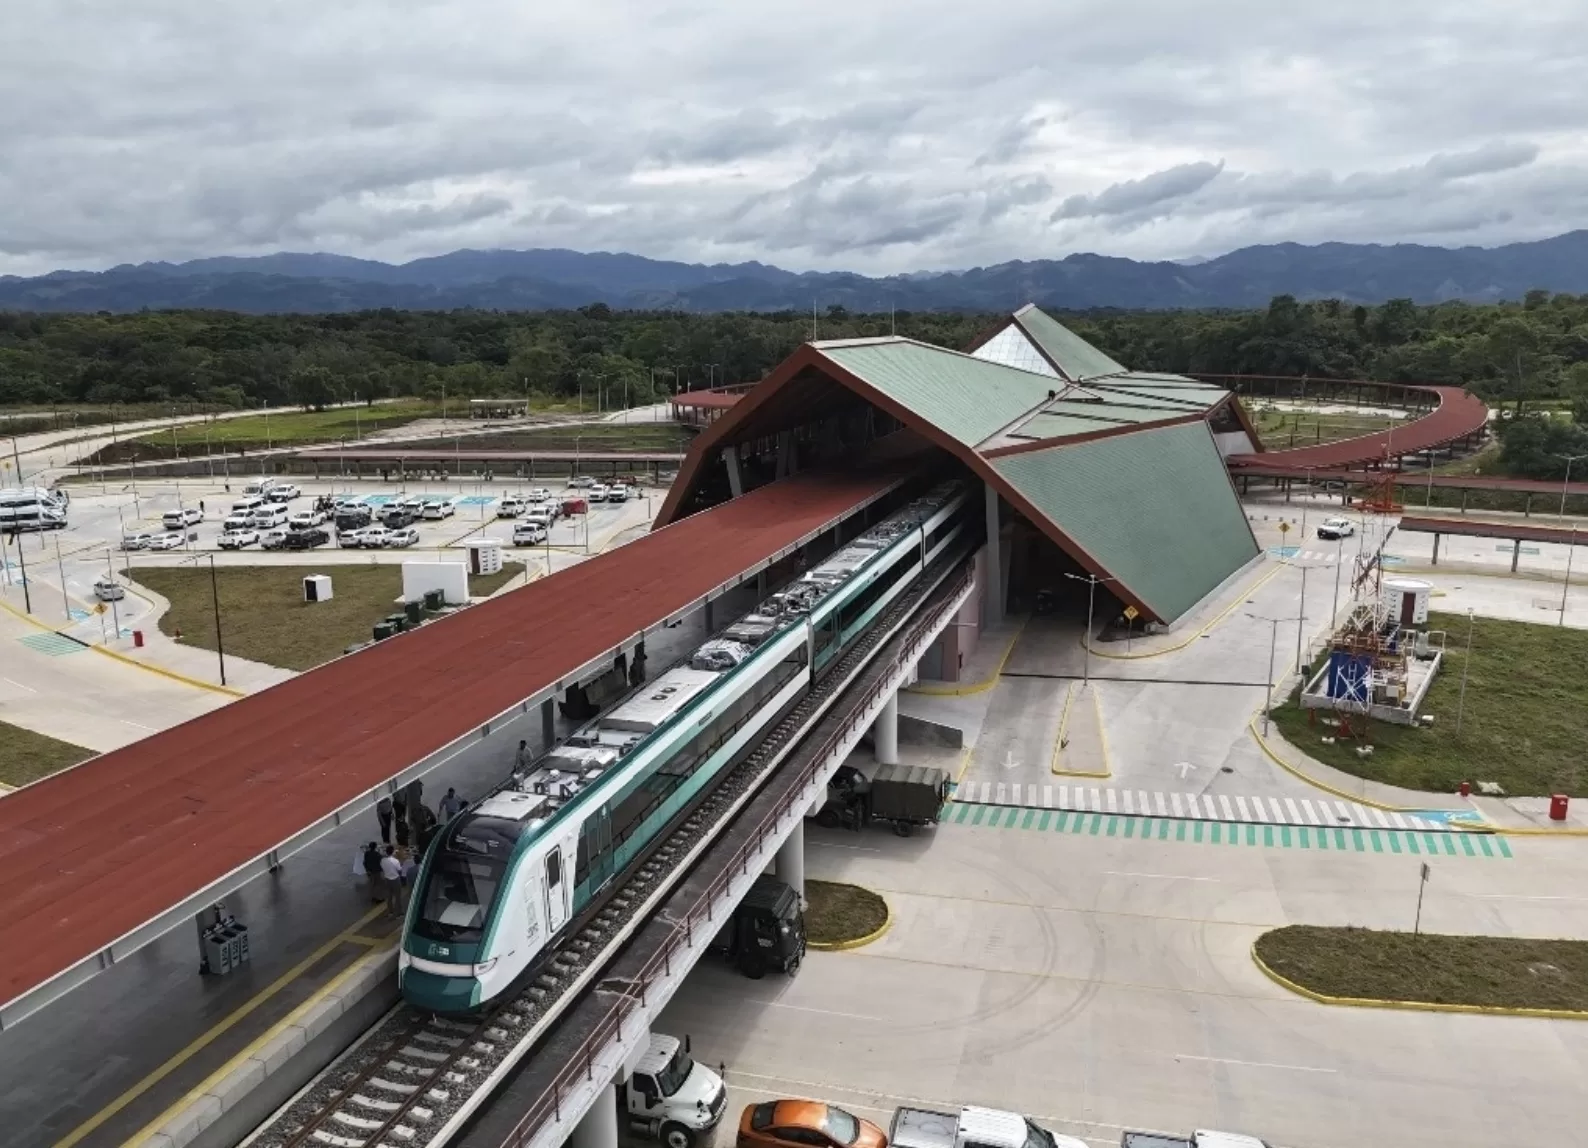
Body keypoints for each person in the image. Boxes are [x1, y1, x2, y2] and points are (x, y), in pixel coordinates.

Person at [380, 846, 404, 916]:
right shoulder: (395, 861)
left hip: (387, 879)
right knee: (397, 896)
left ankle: (390, 911)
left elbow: (382, 868)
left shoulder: (382, 860)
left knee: (389, 896)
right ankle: (399, 912)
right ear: (393, 852)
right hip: (395, 879)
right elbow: (400, 870)